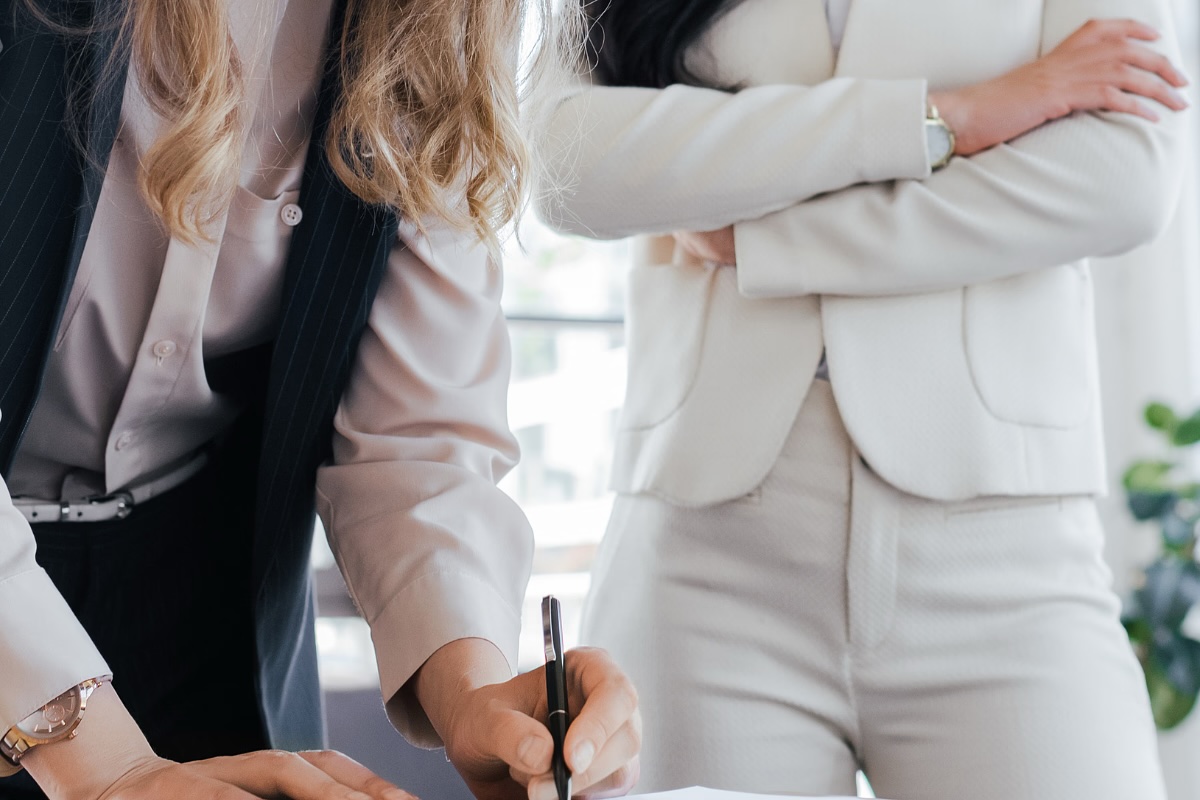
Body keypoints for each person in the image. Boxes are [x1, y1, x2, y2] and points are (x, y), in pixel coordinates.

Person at [534, 0, 1187, 797]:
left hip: (1006, 546)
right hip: (705, 549)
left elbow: (1123, 176)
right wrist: (938, 118)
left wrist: (774, 240)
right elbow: (563, 158)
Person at [0, 0, 641, 799]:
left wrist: (473, 687)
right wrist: (106, 766)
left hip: (211, 601)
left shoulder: (447, 16)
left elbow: (414, 431)